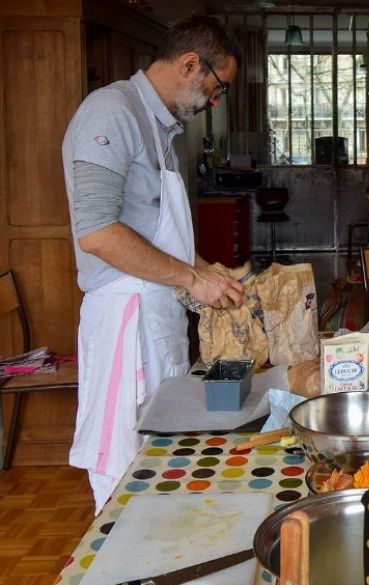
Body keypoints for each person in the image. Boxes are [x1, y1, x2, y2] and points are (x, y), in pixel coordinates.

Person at [62, 16, 245, 510]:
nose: (215, 100)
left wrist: (208, 272)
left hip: (156, 309)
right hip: (125, 317)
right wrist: (192, 278)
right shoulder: (111, 114)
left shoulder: (159, 126)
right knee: (124, 465)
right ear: (190, 64)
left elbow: (154, 231)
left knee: (159, 455)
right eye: (217, 86)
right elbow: (99, 233)